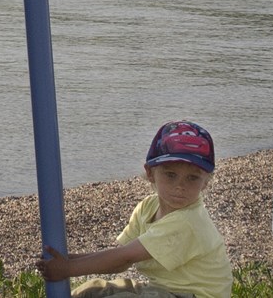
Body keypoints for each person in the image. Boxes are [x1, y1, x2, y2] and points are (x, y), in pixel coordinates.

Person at [37, 121, 232, 298]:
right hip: (164, 291)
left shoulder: (188, 222)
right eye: (170, 175)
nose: (180, 186)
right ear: (150, 173)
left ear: (206, 182)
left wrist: (67, 269)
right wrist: (71, 260)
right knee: (91, 291)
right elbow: (122, 260)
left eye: (192, 178)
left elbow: (125, 256)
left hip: (195, 295)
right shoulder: (148, 206)